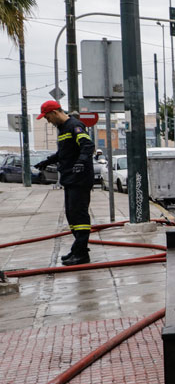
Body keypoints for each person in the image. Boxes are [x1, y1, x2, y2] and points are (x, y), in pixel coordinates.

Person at [34, 101, 95, 266]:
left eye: (48, 117)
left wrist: (81, 162)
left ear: (54, 112)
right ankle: (78, 249)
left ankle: (81, 253)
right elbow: (63, 152)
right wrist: (47, 161)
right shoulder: (62, 130)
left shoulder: (74, 125)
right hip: (69, 178)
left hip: (79, 178)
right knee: (71, 215)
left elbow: (87, 145)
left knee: (79, 215)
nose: (48, 121)